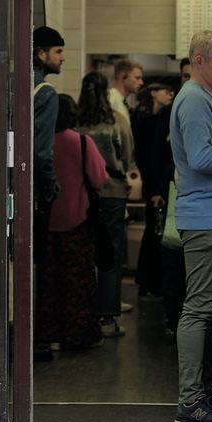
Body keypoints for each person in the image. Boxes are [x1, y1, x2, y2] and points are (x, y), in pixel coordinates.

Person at [170, 30, 212, 422]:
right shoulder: (194, 99)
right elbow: (200, 157)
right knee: (199, 310)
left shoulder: (208, 98)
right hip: (206, 218)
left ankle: (206, 392)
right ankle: (191, 400)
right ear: (198, 61)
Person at [35, 94, 108, 351]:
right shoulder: (82, 143)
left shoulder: (37, 142)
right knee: (77, 282)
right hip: (76, 222)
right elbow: (99, 179)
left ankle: (48, 334)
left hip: (43, 223)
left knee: (46, 283)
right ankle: (78, 334)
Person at [78, 70, 133, 339]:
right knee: (110, 256)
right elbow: (127, 155)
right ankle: (108, 317)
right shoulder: (117, 121)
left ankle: (83, 314)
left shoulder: (75, 123)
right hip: (112, 191)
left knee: (83, 253)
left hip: (82, 194)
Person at [131, 82, 174, 300]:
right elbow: (154, 155)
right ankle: (150, 283)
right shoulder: (150, 119)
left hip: (155, 183)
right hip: (157, 184)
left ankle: (148, 282)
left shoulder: (154, 117)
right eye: (166, 90)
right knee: (155, 234)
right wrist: (156, 188)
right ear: (154, 93)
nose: (170, 94)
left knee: (154, 233)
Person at [32, 25, 65, 253]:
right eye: (58, 51)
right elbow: (42, 151)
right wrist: (51, 187)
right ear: (41, 54)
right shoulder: (46, 93)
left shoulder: (13, 83)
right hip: (30, 188)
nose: (62, 58)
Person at [108, 58, 144, 125]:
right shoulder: (111, 99)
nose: (141, 83)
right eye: (137, 78)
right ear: (123, 76)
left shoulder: (121, 101)